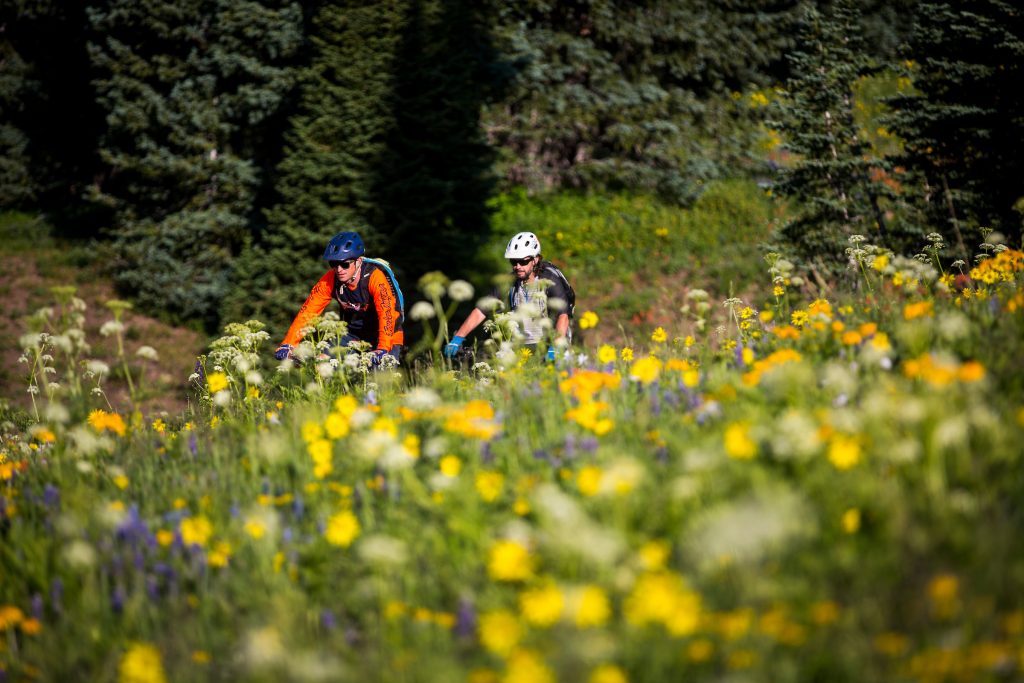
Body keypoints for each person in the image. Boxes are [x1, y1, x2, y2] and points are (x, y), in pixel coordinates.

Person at [274, 231, 404, 364]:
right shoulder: (330, 279)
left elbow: (387, 314)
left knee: (380, 374)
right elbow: (308, 312)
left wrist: (382, 348)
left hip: (387, 336)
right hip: (353, 335)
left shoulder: (375, 278)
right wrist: (288, 343)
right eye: (334, 264)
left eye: (345, 264)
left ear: (358, 261)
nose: (339, 270)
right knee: (322, 363)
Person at [444, 231, 574, 361]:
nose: (517, 266)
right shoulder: (509, 281)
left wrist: (555, 347)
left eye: (523, 261)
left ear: (535, 259)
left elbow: (563, 316)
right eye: (513, 262)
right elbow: (481, 310)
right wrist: (458, 338)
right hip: (522, 344)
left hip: (553, 340)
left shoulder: (550, 280)